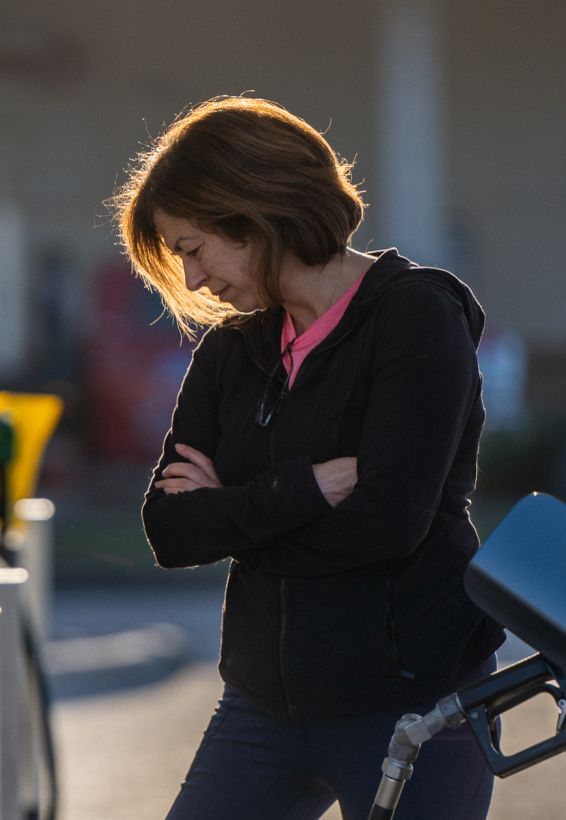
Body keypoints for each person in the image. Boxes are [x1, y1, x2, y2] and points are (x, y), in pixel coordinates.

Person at [112, 96, 505, 820]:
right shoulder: (233, 349)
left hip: (413, 706)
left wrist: (232, 514)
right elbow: (169, 531)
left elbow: (388, 524)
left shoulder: (415, 316)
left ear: (254, 212)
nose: (195, 283)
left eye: (195, 248)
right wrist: (299, 491)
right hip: (263, 708)